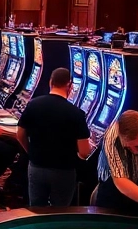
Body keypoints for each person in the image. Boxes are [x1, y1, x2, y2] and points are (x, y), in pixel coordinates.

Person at [15, 68, 94, 207]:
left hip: (36, 166)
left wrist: (31, 152)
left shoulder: (33, 104)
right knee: (59, 212)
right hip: (63, 171)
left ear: (50, 82)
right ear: (70, 86)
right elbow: (84, 152)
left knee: (36, 209)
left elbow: (20, 134)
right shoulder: (76, 113)